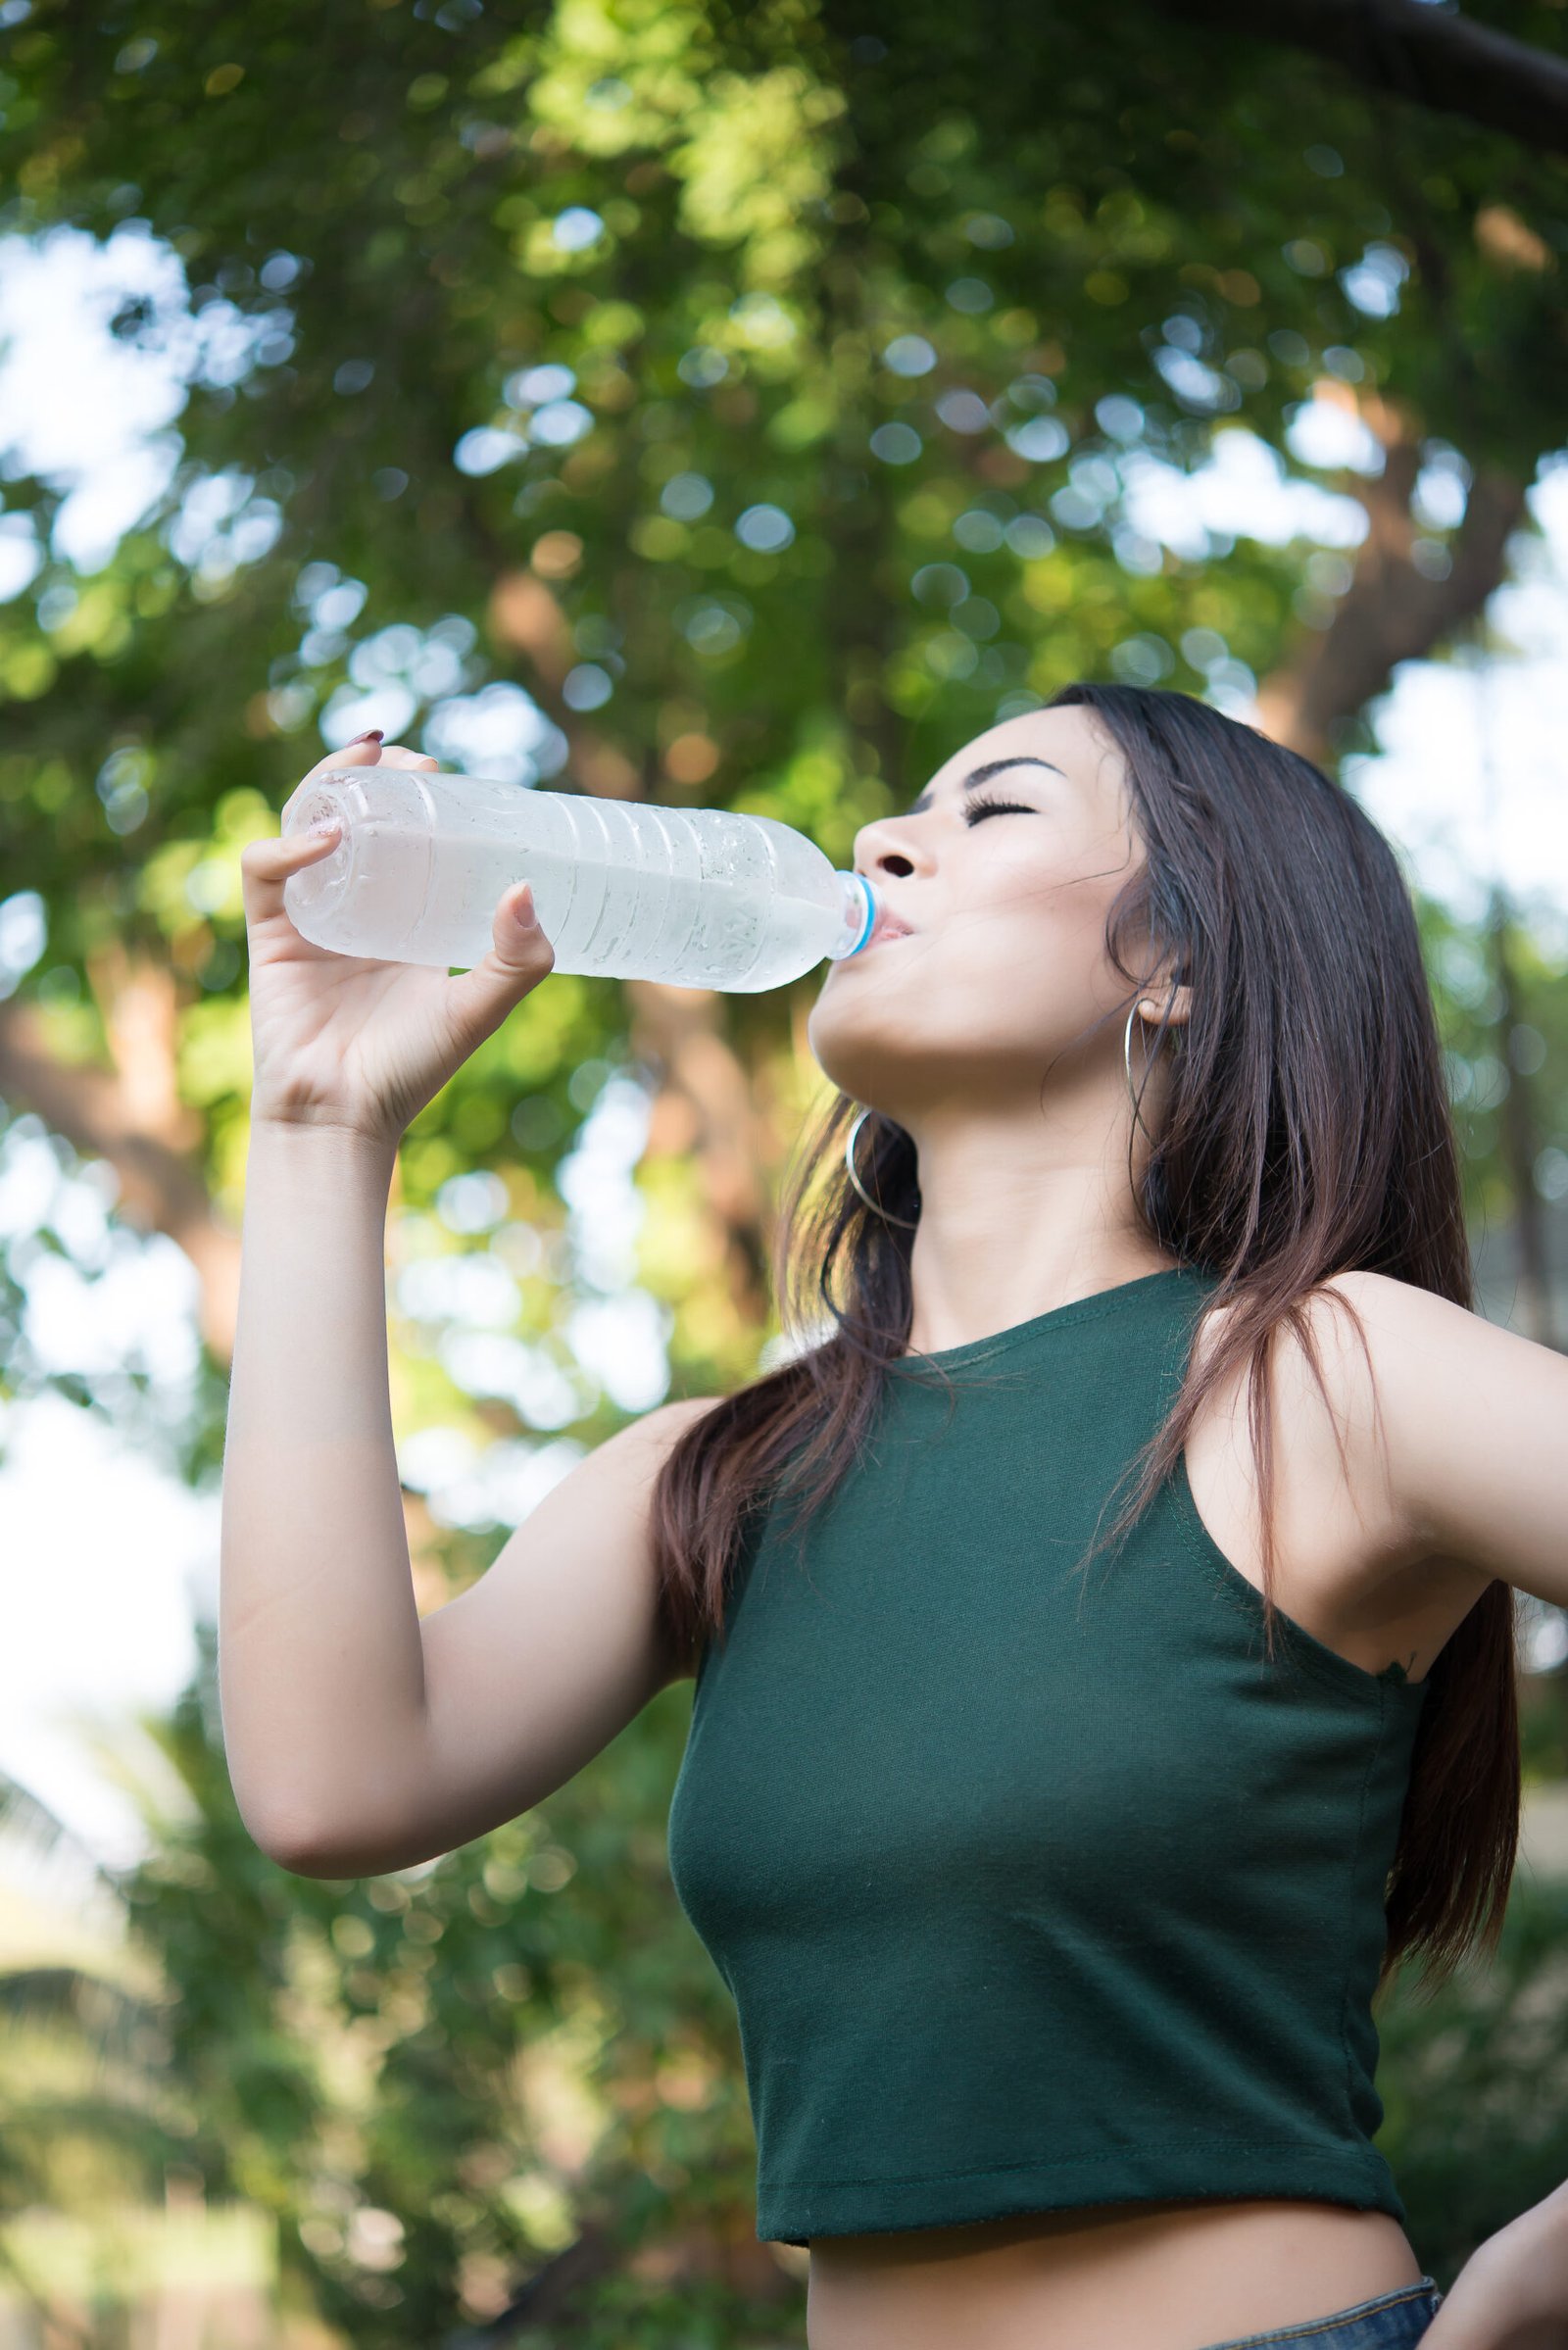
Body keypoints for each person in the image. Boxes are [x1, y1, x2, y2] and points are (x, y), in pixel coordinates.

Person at [224, 686, 1567, 2350]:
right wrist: (316, 1124)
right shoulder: (718, 1474)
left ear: (1177, 960)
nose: (881, 841)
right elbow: (331, 1779)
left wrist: (1530, 2287)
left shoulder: (1325, 1370)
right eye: (905, 811)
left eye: (994, 810)